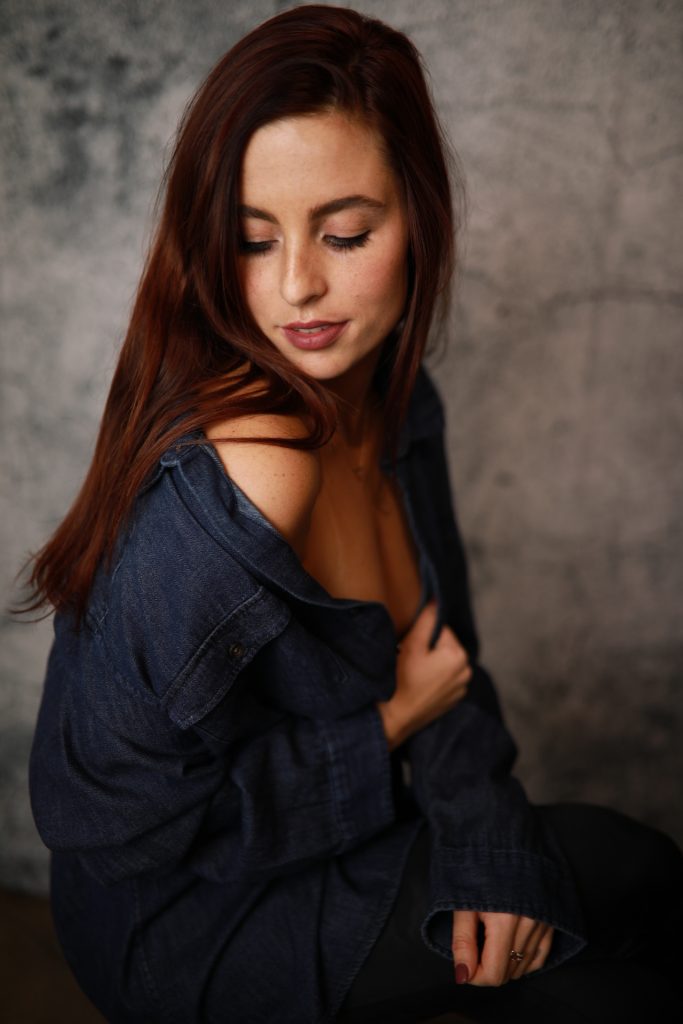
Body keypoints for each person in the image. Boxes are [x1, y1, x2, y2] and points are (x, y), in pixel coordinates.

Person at [24, 5, 682, 1023]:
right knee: (618, 953)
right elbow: (106, 826)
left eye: (344, 233)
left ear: (414, 214)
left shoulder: (399, 404)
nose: (296, 286)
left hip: (343, 838)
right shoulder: (247, 481)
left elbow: (445, 664)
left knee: (636, 891)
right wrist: (384, 725)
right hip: (190, 920)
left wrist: (484, 846)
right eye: (251, 241)